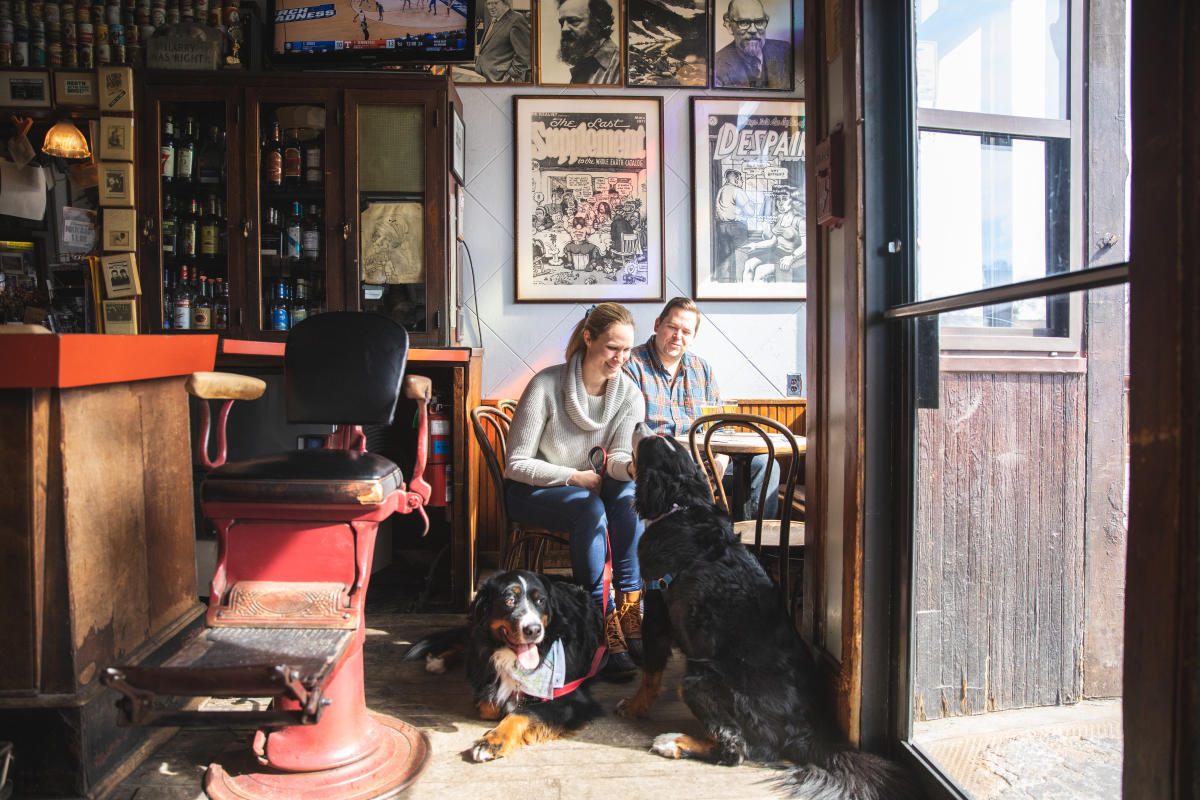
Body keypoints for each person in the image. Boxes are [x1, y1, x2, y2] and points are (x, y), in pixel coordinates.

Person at [505, 302, 646, 677]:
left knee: (629, 496)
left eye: (628, 349)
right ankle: (598, 622)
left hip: (588, 488)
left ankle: (631, 616)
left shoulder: (630, 395)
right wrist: (573, 476)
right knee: (589, 508)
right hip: (531, 490)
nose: (621, 358)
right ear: (589, 338)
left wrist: (631, 467)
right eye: (613, 347)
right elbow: (516, 463)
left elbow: (614, 460)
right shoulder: (546, 385)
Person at [624, 296, 780, 522]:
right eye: (672, 327)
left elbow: (721, 427)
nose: (678, 336)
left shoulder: (701, 369)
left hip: (703, 464)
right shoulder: (632, 365)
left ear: (693, 337)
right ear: (658, 324)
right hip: (661, 469)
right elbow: (631, 430)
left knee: (764, 464)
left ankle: (749, 552)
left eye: (686, 332)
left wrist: (718, 464)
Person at [713, 0, 791, 89]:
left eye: (759, 22)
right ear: (729, 26)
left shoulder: (784, 51)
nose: (753, 30)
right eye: (744, 22)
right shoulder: (717, 65)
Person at [741, 185, 805, 283]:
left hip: (790, 257)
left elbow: (806, 246)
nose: (780, 203)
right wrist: (755, 245)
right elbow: (773, 241)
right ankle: (747, 297)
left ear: (793, 201)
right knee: (749, 265)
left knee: (760, 271)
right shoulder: (779, 218)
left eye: (784, 199)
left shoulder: (800, 221)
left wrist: (791, 258)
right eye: (778, 199)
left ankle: (760, 298)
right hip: (776, 253)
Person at [555, 0, 620, 85]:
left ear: (599, 22)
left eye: (574, 21)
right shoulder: (584, 65)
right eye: (561, 23)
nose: (564, 29)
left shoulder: (621, 66)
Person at [473, 0, 532, 83]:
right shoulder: (494, 19)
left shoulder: (516, 19)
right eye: (488, 4)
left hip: (499, 80)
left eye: (495, 3)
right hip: (485, 78)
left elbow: (526, 55)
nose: (491, 7)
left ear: (506, 3)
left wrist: (510, 75)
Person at [713, 168, 754, 282]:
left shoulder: (721, 190)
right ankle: (738, 283)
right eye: (740, 179)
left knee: (725, 256)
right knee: (740, 256)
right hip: (737, 226)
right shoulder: (737, 191)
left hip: (721, 226)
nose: (742, 181)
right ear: (736, 179)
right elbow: (750, 212)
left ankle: (724, 283)